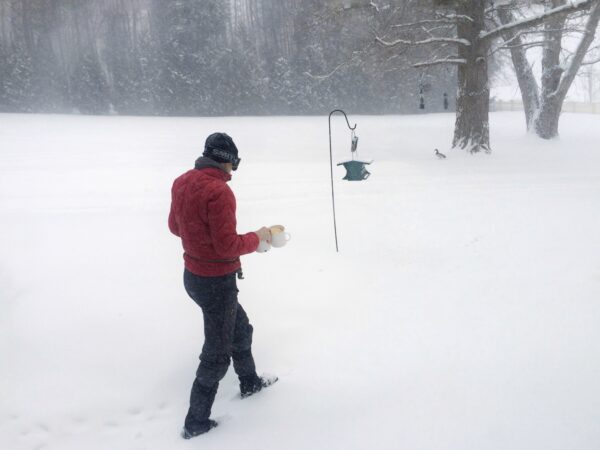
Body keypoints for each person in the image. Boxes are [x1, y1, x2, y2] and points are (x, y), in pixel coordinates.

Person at [168, 132, 277, 439]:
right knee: (217, 353)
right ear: (226, 160)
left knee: (240, 329)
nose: (234, 171)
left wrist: (201, 240)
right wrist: (258, 237)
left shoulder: (182, 182)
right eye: (235, 164)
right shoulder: (219, 192)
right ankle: (196, 422)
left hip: (193, 277)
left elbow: (175, 226)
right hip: (216, 282)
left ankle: (250, 382)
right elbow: (228, 245)